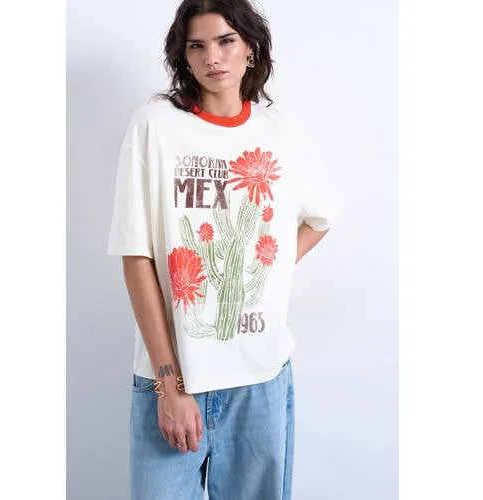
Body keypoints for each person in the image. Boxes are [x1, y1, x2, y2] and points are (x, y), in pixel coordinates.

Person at [107, 1, 340, 498]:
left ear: (250, 49)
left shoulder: (280, 133)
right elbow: (136, 256)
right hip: (172, 380)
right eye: (197, 46)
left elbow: (321, 216)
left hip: (260, 378)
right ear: (184, 57)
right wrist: (170, 385)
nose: (212, 57)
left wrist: (263, 271)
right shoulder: (154, 127)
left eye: (226, 41)